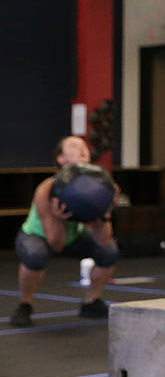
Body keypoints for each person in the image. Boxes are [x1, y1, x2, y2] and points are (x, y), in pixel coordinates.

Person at [9, 136, 119, 327]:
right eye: (74, 146)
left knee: (109, 250)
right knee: (36, 256)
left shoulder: (101, 186)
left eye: (84, 146)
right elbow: (56, 244)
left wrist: (106, 213)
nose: (83, 148)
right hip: (38, 235)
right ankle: (24, 305)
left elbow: (103, 241)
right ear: (60, 159)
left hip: (74, 234)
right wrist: (59, 218)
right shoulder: (47, 189)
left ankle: (91, 302)